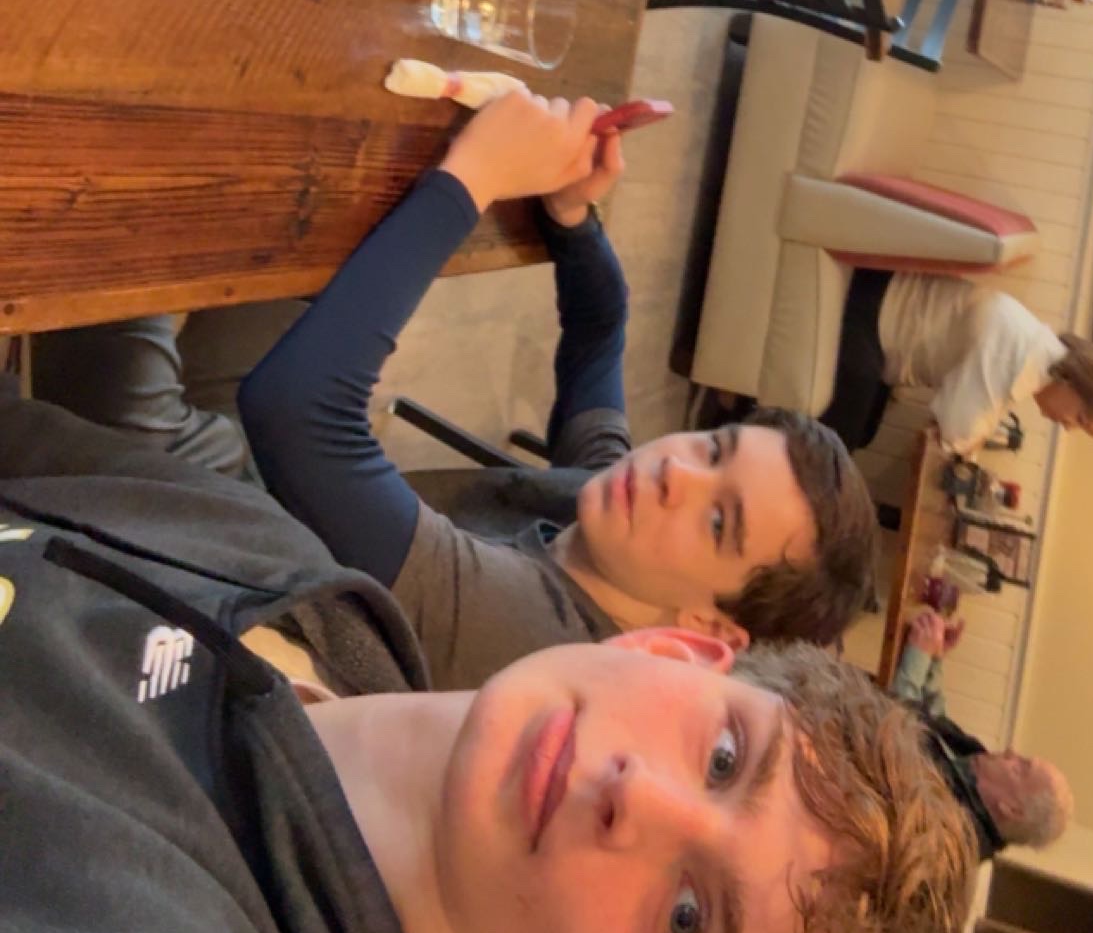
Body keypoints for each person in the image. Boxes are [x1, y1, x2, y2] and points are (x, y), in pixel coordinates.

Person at [0, 387, 975, 933]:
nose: (636, 795)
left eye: (687, 923)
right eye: (724, 759)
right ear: (669, 650)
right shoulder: (294, 576)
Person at [30, 93, 878, 687]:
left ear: (710, 628)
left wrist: (475, 175)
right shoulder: (613, 519)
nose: (676, 473)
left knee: (116, 227)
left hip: (189, 550)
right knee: (305, 216)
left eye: (719, 520)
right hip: (273, 478)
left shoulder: (526, 640)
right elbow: (601, 332)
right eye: (714, 447)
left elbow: (299, 412)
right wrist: (572, 215)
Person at [817, 268, 1093, 455]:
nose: (1068, 426)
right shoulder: (1019, 358)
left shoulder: (1035, 350)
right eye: (1080, 418)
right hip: (870, 315)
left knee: (864, 432)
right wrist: (974, 437)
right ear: (1075, 383)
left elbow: (975, 416)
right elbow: (956, 431)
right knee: (834, 452)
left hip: (882, 308)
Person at [892, 608, 1073, 859]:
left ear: (1010, 809)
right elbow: (935, 722)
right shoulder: (973, 778)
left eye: (1020, 768)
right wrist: (935, 658)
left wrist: (919, 654)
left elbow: (891, 738)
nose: (1010, 751)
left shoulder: (949, 830)